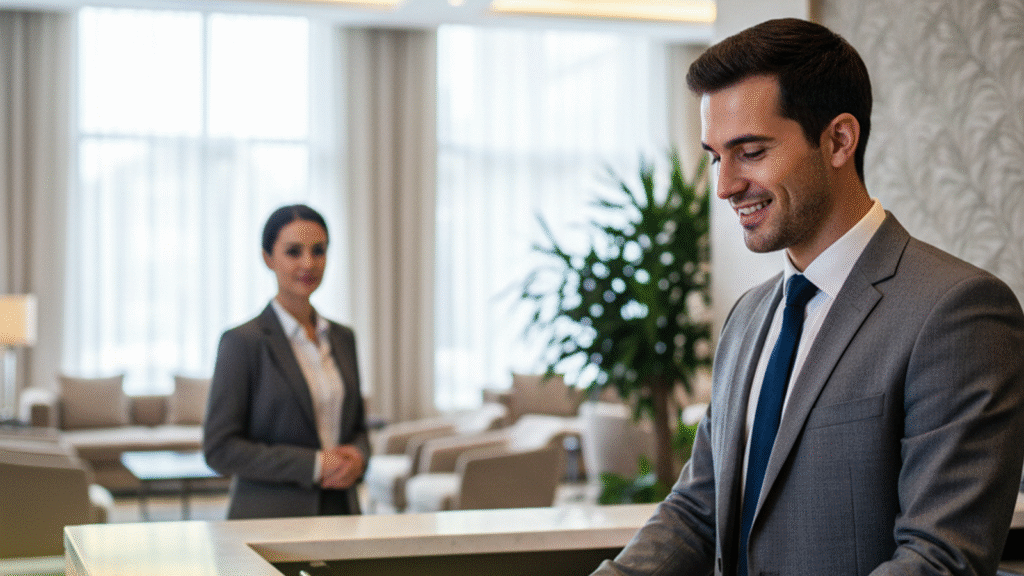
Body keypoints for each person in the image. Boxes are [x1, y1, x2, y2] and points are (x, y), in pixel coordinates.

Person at [591, 18, 1024, 576]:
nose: (723, 186)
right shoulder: (747, 317)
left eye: (750, 152)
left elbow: (939, 559)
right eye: (716, 156)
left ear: (839, 140)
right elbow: (699, 510)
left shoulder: (959, 312)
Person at [203, 204, 370, 519]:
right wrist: (315, 465)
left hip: (341, 511)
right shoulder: (242, 342)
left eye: (318, 251)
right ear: (268, 258)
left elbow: (358, 427)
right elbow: (220, 448)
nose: (308, 263)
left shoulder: (343, 338)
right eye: (294, 251)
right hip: (270, 519)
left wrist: (359, 456)